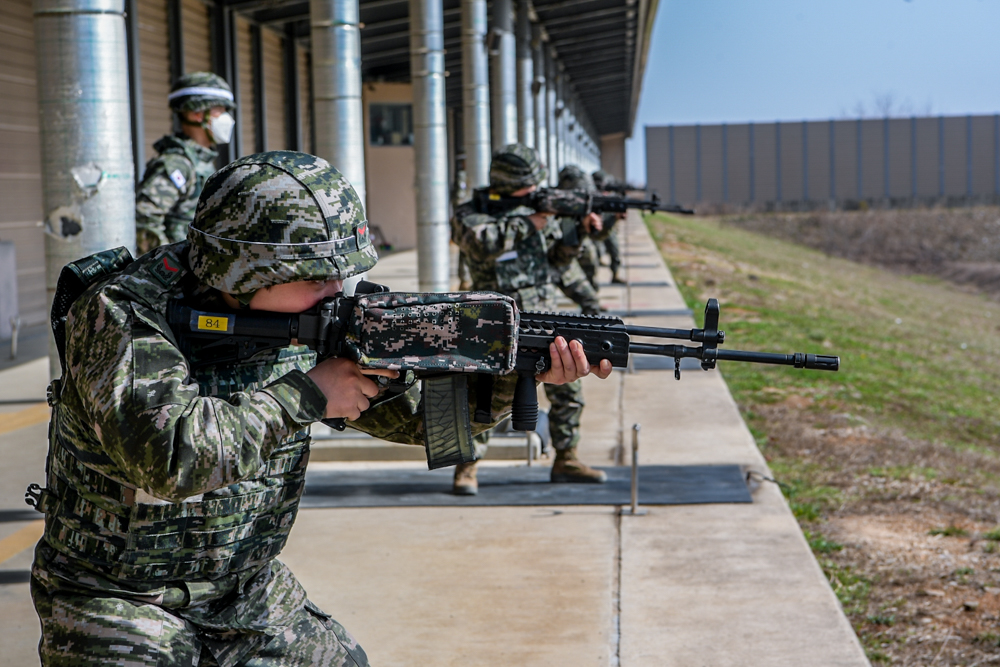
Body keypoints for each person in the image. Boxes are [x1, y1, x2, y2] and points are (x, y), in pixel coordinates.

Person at [28, 151, 609, 666]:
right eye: (318, 276)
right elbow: (171, 458)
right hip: (118, 595)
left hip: (243, 589)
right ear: (246, 269)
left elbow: (412, 418)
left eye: (342, 273)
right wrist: (308, 393)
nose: (338, 290)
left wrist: (515, 376)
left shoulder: (307, 320)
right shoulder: (121, 313)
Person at [451, 144, 609, 495]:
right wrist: (527, 223)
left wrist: (579, 231)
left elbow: (557, 262)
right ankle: (467, 467)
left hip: (541, 315)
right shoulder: (475, 213)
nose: (537, 191)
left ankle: (566, 458)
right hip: (493, 322)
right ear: (508, 184)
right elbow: (480, 242)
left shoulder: (539, 212)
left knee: (569, 387)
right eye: (530, 185)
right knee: (484, 398)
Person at [135, 72, 236, 254]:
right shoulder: (177, 164)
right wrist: (168, 266)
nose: (226, 118)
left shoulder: (200, 161)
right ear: (196, 113)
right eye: (220, 110)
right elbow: (145, 217)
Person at [553, 165, 604, 315]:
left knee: (591, 302)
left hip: (563, 260)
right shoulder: (549, 206)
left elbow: (597, 235)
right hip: (545, 264)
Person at [592, 169, 625, 284]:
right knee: (592, 255)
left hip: (608, 226)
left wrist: (618, 215)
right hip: (593, 229)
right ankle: (591, 281)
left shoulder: (611, 196)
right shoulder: (591, 195)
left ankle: (615, 275)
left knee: (614, 251)